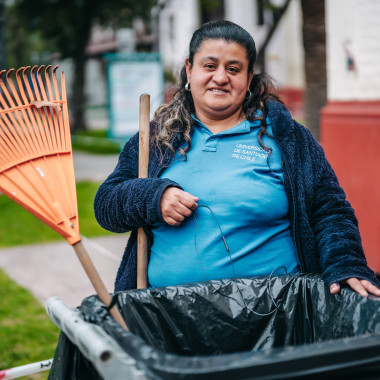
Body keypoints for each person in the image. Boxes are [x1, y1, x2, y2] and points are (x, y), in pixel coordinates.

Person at [94, 20, 380, 297]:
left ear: (248, 76)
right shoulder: (156, 139)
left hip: (274, 315)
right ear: (189, 70)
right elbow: (106, 206)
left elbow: (329, 209)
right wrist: (152, 197)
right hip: (170, 318)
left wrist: (345, 263)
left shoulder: (287, 137)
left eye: (233, 68)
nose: (220, 77)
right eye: (209, 66)